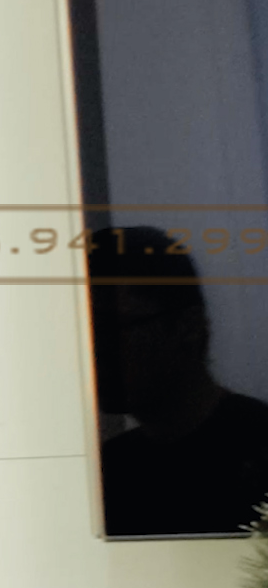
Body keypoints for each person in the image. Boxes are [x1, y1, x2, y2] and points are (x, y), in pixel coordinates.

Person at [93, 227, 268, 536]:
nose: (96, 350)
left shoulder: (260, 450)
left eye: (111, 328)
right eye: (89, 332)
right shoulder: (110, 471)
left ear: (188, 326)